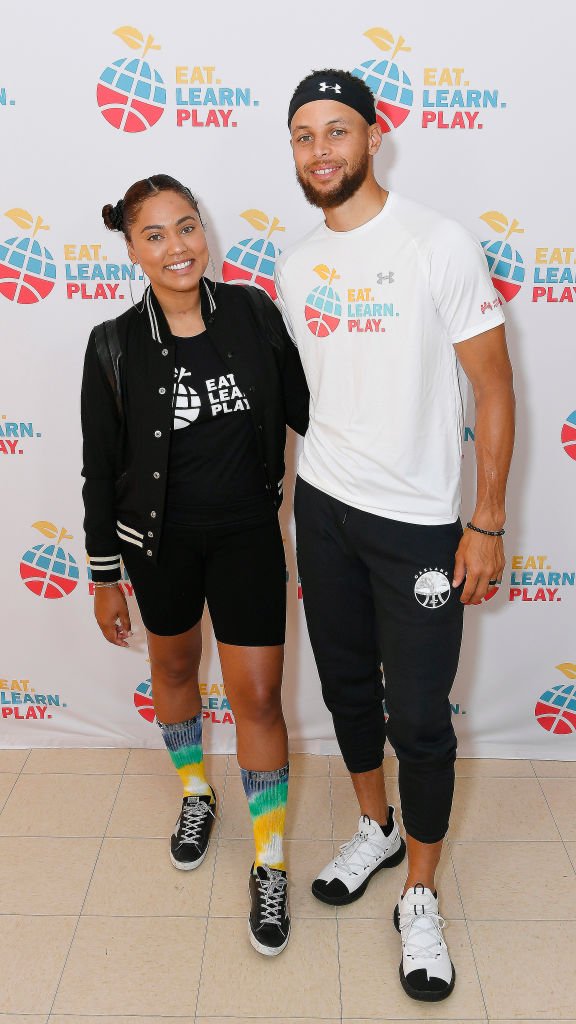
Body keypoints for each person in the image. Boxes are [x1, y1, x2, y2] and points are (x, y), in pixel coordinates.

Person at [275, 71, 515, 1000]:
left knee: (420, 716)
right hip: (325, 511)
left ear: (374, 137)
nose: (321, 150)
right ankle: (375, 828)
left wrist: (485, 519)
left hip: (419, 523)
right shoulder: (296, 266)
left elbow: (494, 388)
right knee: (345, 693)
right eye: (303, 135)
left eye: (337, 131)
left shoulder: (436, 242)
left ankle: (420, 891)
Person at [81, 174, 309, 957]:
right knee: (174, 670)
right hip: (157, 546)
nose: (177, 247)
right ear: (133, 249)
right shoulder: (112, 344)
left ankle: (270, 859)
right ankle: (194, 791)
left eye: (187, 227)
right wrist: (103, 572)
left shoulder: (251, 313)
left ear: (203, 232)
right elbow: (99, 467)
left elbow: (307, 408)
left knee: (259, 697)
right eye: (156, 235)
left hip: (247, 535)